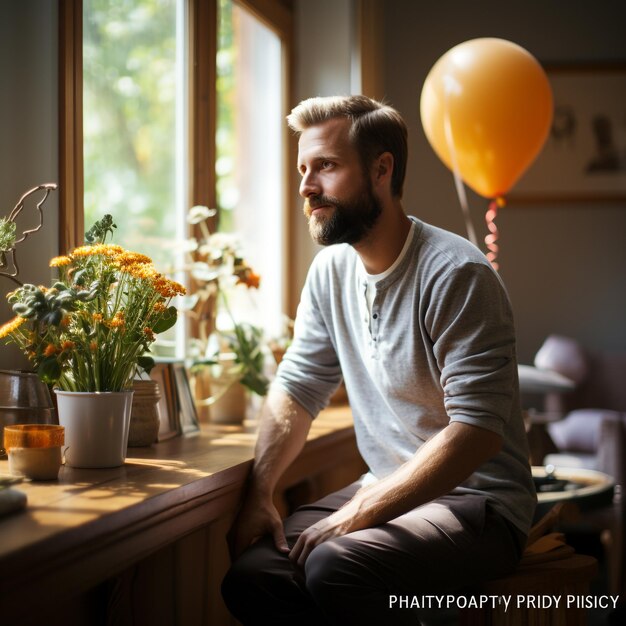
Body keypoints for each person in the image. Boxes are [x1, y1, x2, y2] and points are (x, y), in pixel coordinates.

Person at [221, 95, 536, 625]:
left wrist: (358, 515)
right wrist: (261, 490)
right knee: (254, 575)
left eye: (326, 165)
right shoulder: (329, 272)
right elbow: (297, 387)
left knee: (336, 567)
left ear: (381, 169)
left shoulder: (456, 273)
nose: (305, 186)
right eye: (303, 168)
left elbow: (477, 432)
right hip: (388, 483)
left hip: (480, 505)